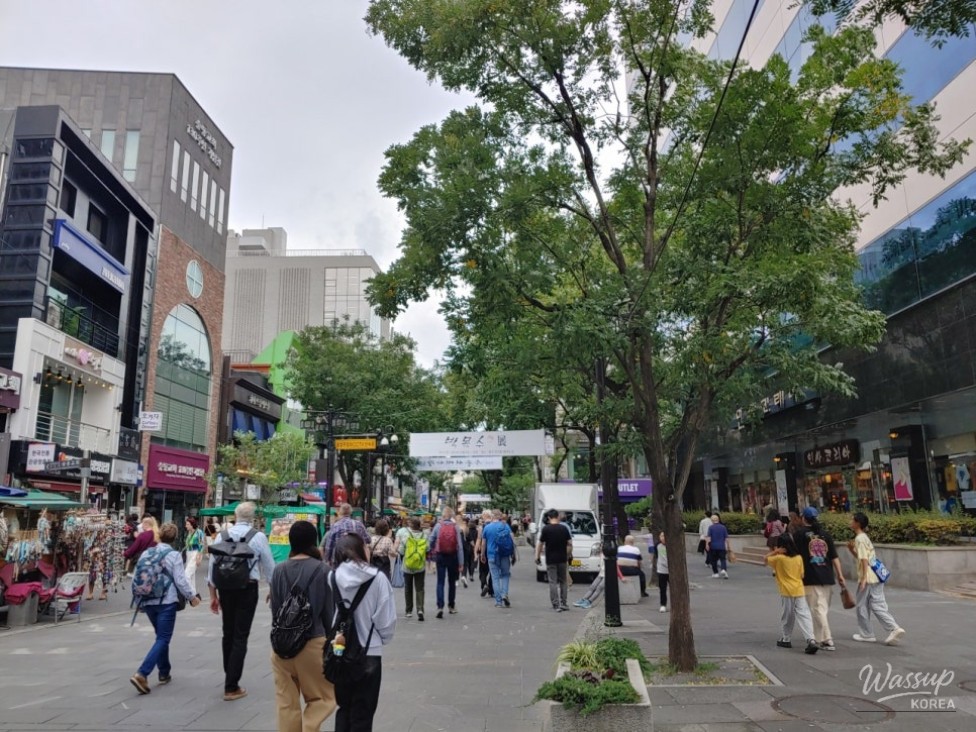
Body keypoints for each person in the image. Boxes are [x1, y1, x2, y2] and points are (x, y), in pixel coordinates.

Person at [269, 520, 336, 732]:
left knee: (286, 705)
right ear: (314, 541)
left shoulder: (278, 571)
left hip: (281, 648)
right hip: (313, 643)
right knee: (323, 698)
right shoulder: (323, 571)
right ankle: (310, 727)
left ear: (291, 542)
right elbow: (329, 614)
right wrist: (332, 644)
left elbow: (276, 612)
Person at [206, 501, 276, 702]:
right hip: (248, 587)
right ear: (252, 518)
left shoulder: (221, 536)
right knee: (240, 634)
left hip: (225, 588)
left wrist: (212, 596)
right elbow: (269, 566)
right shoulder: (258, 537)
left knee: (227, 631)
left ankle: (230, 671)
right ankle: (231, 685)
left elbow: (212, 566)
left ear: (235, 516)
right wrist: (272, 589)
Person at [328, 533, 397, 732]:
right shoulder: (378, 579)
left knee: (344, 708)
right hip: (370, 651)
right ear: (359, 550)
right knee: (363, 713)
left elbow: (331, 614)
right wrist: (382, 638)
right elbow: (386, 621)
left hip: (340, 650)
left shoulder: (332, 576)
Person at [130, 522, 202, 694]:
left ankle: (164, 672)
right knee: (163, 638)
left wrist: (138, 598)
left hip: (147, 601)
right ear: (175, 538)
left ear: (159, 535)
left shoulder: (147, 552)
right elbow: (180, 579)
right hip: (166, 601)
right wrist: (192, 597)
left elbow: (136, 575)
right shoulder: (174, 555)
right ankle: (142, 673)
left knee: (160, 637)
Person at [848, 512, 905, 645]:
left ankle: (867, 634)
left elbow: (863, 559)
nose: (850, 522)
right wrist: (851, 550)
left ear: (858, 523)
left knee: (862, 605)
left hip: (868, 577)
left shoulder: (859, 539)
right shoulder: (864, 537)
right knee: (877, 604)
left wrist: (863, 579)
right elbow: (863, 557)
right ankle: (894, 628)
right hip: (877, 575)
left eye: (852, 520)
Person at [794, 507, 847, 651]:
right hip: (827, 575)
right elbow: (834, 557)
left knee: (817, 609)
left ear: (803, 518)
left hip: (810, 576)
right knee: (822, 608)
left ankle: (827, 639)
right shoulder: (825, 534)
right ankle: (819, 637)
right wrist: (840, 575)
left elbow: (796, 556)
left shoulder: (799, 534)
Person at [766, 532, 819, 655]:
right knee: (804, 614)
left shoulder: (779, 558)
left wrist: (775, 551)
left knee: (787, 615)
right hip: (799, 589)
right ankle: (810, 639)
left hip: (786, 590)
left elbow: (765, 559)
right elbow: (802, 575)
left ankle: (786, 638)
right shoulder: (798, 558)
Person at [428, 507, 464, 618]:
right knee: (452, 582)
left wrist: (428, 551)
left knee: (440, 582)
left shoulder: (438, 526)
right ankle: (451, 606)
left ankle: (440, 606)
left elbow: (431, 540)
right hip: (453, 557)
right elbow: (459, 546)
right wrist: (461, 562)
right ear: (452, 516)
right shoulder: (456, 527)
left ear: (443, 516)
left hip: (440, 556)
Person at [535, 509, 572, 612]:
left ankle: (556, 604)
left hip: (551, 558)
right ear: (558, 517)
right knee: (563, 581)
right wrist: (568, 554)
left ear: (549, 518)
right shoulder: (564, 529)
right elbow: (569, 543)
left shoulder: (546, 529)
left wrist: (537, 557)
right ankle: (564, 603)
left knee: (553, 581)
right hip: (562, 558)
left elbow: (540, 544)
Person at [393, 516, 427, 620]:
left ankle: (408, 610)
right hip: (420, 566)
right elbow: (428, 548)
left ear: (411, 525)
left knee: (408, 588)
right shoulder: (424, 535)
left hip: (407, 566)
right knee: (420, 588)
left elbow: (402, 551)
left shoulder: (406, 536)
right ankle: (420, 609)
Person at [482, 509, 516, 608]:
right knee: (505, 575)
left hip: (492, 555)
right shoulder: (505, 526)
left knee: (495, 578)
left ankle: (498, 602)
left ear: (492, 517)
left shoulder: (487, 527)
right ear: (500, 517)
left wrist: (482, 555)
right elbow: (512, 539)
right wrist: (513, 553)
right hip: (504, 555)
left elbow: (483, 543)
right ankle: (504, 594)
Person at [322, 503, 371, 568]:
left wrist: (327, 561)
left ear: (340, 512)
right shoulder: (358, 524)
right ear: (351, 512)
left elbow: (329, 547)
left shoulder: (334, 526)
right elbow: (368, 540)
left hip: (339, 562)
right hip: (357, 561)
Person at [474, 511, 494, 599]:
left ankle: (484, 585)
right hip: (493, 551)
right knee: (492, 571)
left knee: (483, 571)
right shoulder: (494, 526)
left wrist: (476, 552)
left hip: (484, 550)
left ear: (484, 516)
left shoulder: (481, 527)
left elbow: (479, 540)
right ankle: (491, 591)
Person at [706, 514, 730, 579]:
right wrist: (728, 546)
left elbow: (709, 537)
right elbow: (726, 538)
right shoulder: (723, 527)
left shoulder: (711, 527)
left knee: (713, 560)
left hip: (713, 546)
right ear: (718, 520)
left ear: (712, 520)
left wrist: (707, 545)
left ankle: (715, 573)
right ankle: (723, 570)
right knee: (723, 559)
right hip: (722, 546)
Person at [183, 517, 205, 587]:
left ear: (192, 525)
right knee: (191, 576)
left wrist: (199, 557)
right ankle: (193, 593)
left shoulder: (199, 532)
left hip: (195, 553)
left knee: (187, 574)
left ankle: (189, 593)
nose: (186, 526)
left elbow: (201, 545)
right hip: (188, 553)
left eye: (187, 524)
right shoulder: (189, 532)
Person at [655, 532, 669, 612]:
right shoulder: (658, 546)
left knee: (674, 589)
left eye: (664, 536)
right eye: (661, 536)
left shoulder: (672, 545)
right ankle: (663, 604)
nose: (663, 538)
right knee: (662, 589)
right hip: (661, 570)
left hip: (672, 571)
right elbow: (657, 556)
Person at [461, 518, 476, 586]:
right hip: (468, 549)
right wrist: (475, 548)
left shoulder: (459, 530)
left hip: (460, 549)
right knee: (469, 563)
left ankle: (457, 579)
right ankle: (469, 575)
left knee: (462, 563)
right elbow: (471, 541)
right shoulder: (469, 530)